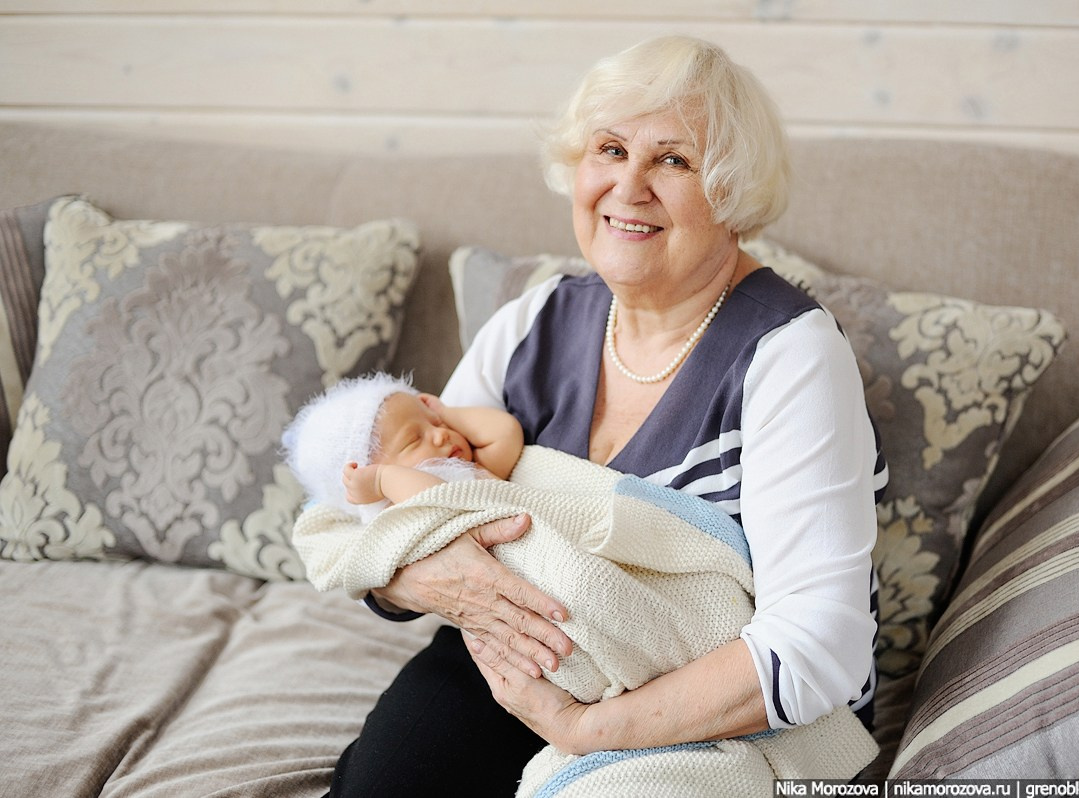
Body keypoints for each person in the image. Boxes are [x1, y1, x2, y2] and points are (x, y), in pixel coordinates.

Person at [324, 35, 886, 796]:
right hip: (526, 658)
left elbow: (819, 648)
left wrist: (584, 730)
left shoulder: (789, 354)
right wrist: (433, 577)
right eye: (610, 150)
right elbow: (404, 507)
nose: (629, 186)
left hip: (710, 703)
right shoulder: (535, 320)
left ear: (732, 193)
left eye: (673, 160)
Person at [282, 371, 524, 520]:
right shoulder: (394, 514)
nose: (441, 434)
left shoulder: (477, 472)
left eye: (437, 423)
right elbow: (438, 498)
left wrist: (445, 412)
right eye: (414, 439)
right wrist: (381, 481)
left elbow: (506, 432)